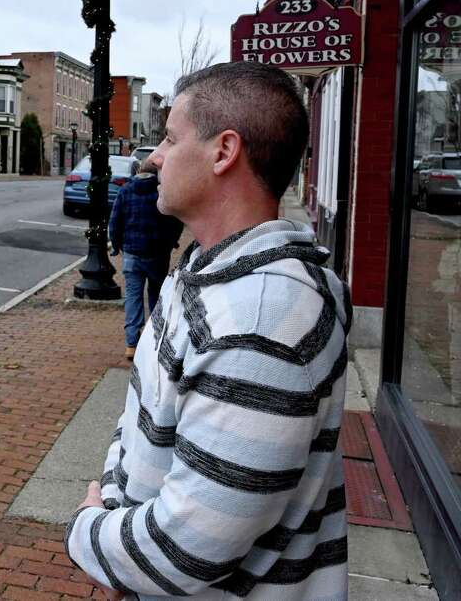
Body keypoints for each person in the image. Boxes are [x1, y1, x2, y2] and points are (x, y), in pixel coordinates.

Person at [65, 61, 351, 599]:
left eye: (171, 138)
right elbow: (139, 419)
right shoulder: (203, 271)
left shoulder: (260, 325)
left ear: (224, 152)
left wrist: (89, 532)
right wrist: (116, 512)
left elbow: (186, 550)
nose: (155, 156)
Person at [108, 159, 184, 361]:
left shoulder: (126, 191)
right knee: (157, 296)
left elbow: (115, 221)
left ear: (139, 171)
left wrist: (116, 245)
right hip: (158, 254)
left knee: (133, 297)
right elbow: (175, 222)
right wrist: (172, 242)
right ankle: (154, 339)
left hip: (132, 253)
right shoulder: (161, 192)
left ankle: (131, 344)